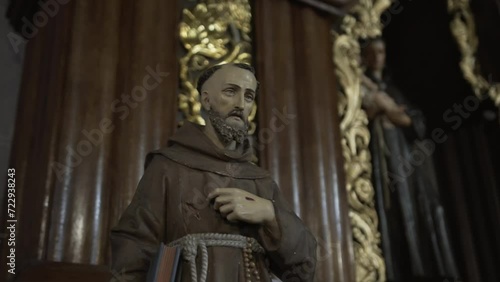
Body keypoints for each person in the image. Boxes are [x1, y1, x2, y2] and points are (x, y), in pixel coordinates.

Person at [109, 63, 317, 282]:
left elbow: (303, 267)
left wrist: (271, 215)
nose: (240, 104)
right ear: (206, 100)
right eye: (230, 91)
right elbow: (134, 247)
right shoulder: (168, 166)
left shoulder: (260, 180)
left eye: (248, 97)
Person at [361, 38, 459, 281]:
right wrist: (383, 110)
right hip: (382, 163)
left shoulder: (393, 89)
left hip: (406, 161)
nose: (377, 57)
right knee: (395, 214)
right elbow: (365, 114)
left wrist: (392, 112)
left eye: (381, 51)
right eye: (371, 52)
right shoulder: (362, 84)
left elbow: (414, 122)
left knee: (423, 210)